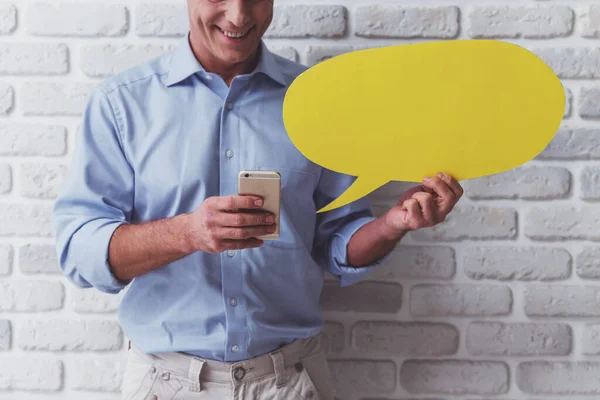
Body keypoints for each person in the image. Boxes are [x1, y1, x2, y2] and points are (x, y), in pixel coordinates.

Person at [53, 0, 464, 399]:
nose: (239, 15)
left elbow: (339, 243)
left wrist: (392, 225)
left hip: (292, 383)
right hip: (165, 383)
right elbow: (80, 252)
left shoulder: (319, 105)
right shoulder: (122, 104)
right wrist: (187, 233)